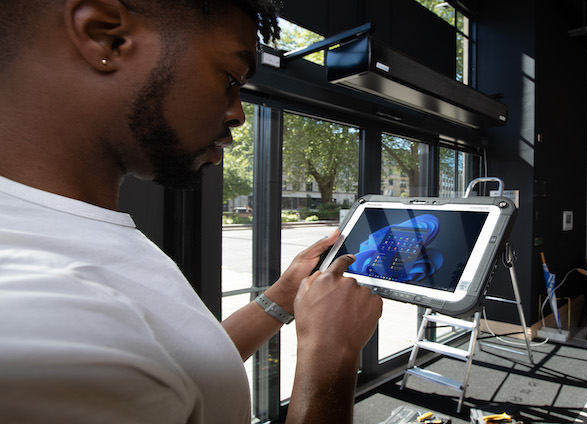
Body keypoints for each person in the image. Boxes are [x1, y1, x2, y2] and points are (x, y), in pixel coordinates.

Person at [0, 1, 382, 423]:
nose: (238, 113)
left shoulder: (59, 234)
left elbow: (172, 370)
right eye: (230, 80)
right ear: (107, 37)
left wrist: (281, 298)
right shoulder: (39, 311)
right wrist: (332, 352)